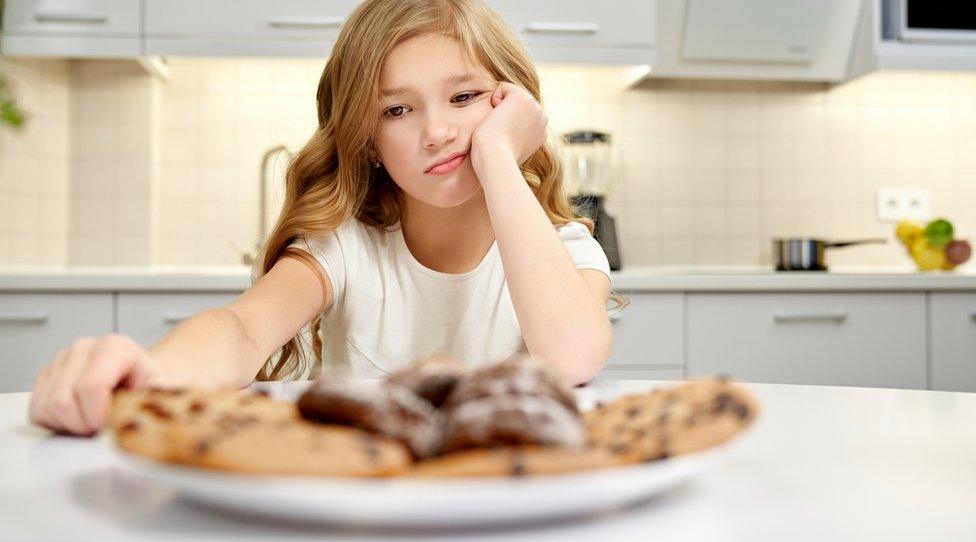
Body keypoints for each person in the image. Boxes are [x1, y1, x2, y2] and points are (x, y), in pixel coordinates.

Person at [28, 0, 628, 437]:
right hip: (362, 502)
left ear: (514, 108)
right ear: (366, 138)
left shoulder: (567, 248)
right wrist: (153, 371)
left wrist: (497, 154)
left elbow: (570, 358)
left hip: (514, 501)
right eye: (397, 109)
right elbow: (241, 329)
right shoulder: (347, 247)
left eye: (464, 98)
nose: (437, 131)